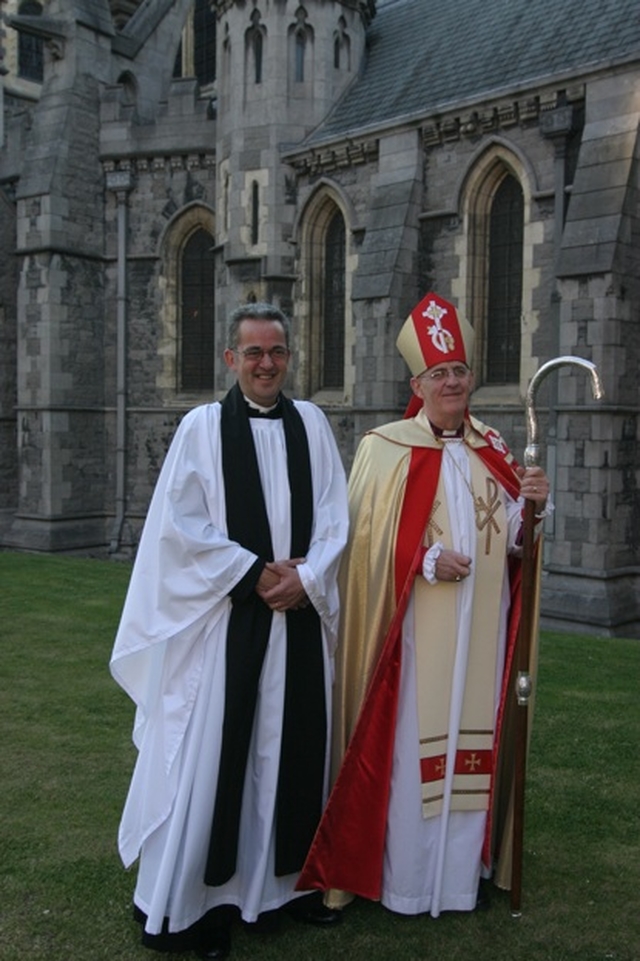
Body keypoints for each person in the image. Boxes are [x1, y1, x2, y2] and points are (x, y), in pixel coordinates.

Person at [297, 292, 551, 918]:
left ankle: (459, 882)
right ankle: (407, 882)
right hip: (411, 638)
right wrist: (425, 560)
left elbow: (517, 541)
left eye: (460, 371)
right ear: (418, 382)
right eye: (439, 374)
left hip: (483, 634)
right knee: (413, 752)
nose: (452, 382)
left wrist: (536, 508)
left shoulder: (494, 447)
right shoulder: (385, 448)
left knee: (475, 747)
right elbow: (360, 547)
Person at [110, 302, 349, 960]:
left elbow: (336, 517)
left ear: (289, 356)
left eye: (276, 351)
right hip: (227, 627)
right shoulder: (202, 427)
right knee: (216, 761)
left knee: (289, 754)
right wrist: (252, 574)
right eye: (253, 353)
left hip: (296, 625)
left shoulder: (313, 425)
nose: (266, 363)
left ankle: (280, 890)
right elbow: (178, 528)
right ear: (230, 359)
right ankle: (200, 904)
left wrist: (308, 578)